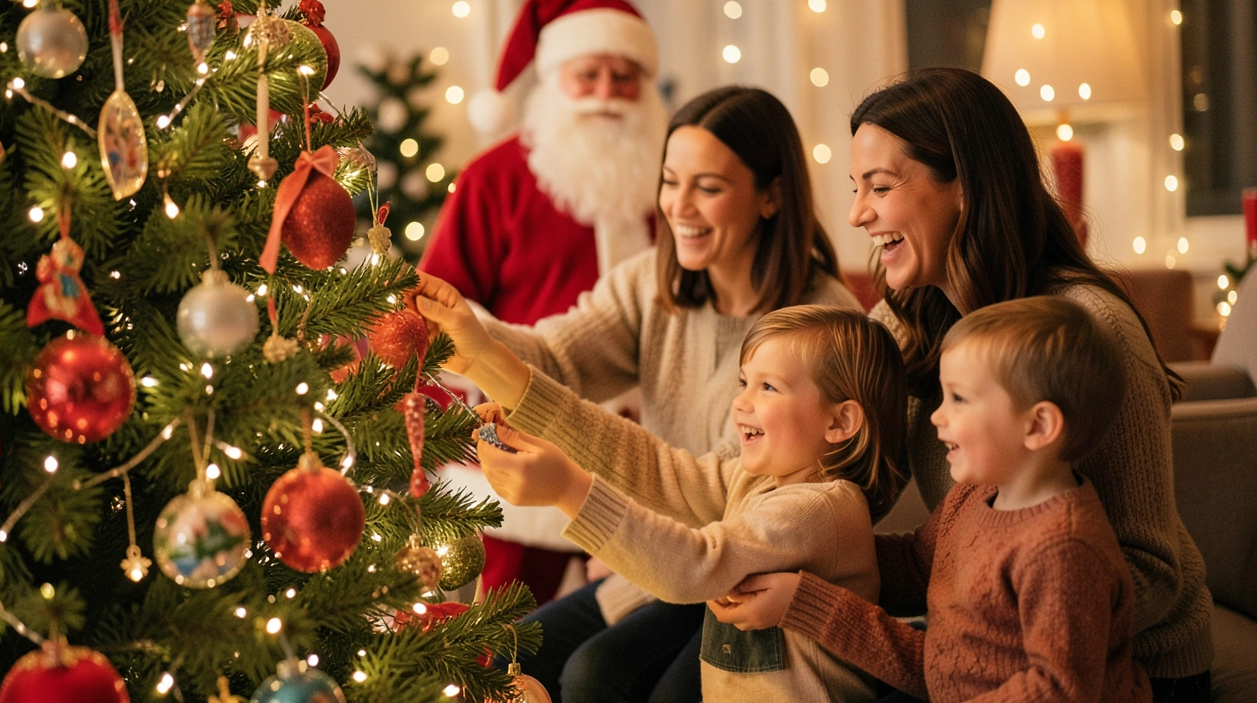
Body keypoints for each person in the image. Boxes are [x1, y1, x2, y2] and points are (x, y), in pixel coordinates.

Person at [707, 68, 1214, 703]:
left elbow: (1152, 574)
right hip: (980, 652)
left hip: (1132, 671)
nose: (857, 214)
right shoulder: (906, 316)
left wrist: (970, 623)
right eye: (855, 188)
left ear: (966, 188)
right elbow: (933, 551)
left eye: (881, 187)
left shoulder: (1090, 329)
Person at [418, 85, 860, 703]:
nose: (679, 206)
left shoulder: (818, 329)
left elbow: (716, 502)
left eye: (708, 188)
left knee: (594, 675)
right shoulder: (654, 286)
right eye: (670, 181)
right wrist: (464, 327)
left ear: (772, 196)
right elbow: (556, 360)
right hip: (652, 559)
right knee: (506, 657)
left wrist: (600, 523)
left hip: (743, 582)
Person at [468, 306, 906, 702]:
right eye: (743, 382)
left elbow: (694, 563)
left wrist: (569, 489)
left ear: (839, 421)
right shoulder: (755, 479)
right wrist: (529, 414)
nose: (741, 401)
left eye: (768, 387)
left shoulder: (822, 506)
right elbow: (659, 472)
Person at [421, 0, 669, 603]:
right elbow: (442, 303)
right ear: (556, 80)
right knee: (501, 641)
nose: (608, 94)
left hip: (646, 453)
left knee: (626, 638)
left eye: (625, 76)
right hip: (523, 440)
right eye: (589, 75)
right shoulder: (494, 178)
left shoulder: (671, 181)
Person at [775, 297, 1150, 702]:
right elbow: (918, 568)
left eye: (959, 399)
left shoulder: (1063, 549)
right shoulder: (977, 492)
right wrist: (810, 551)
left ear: (1038, 424)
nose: (936, 416)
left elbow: (1057, 691)